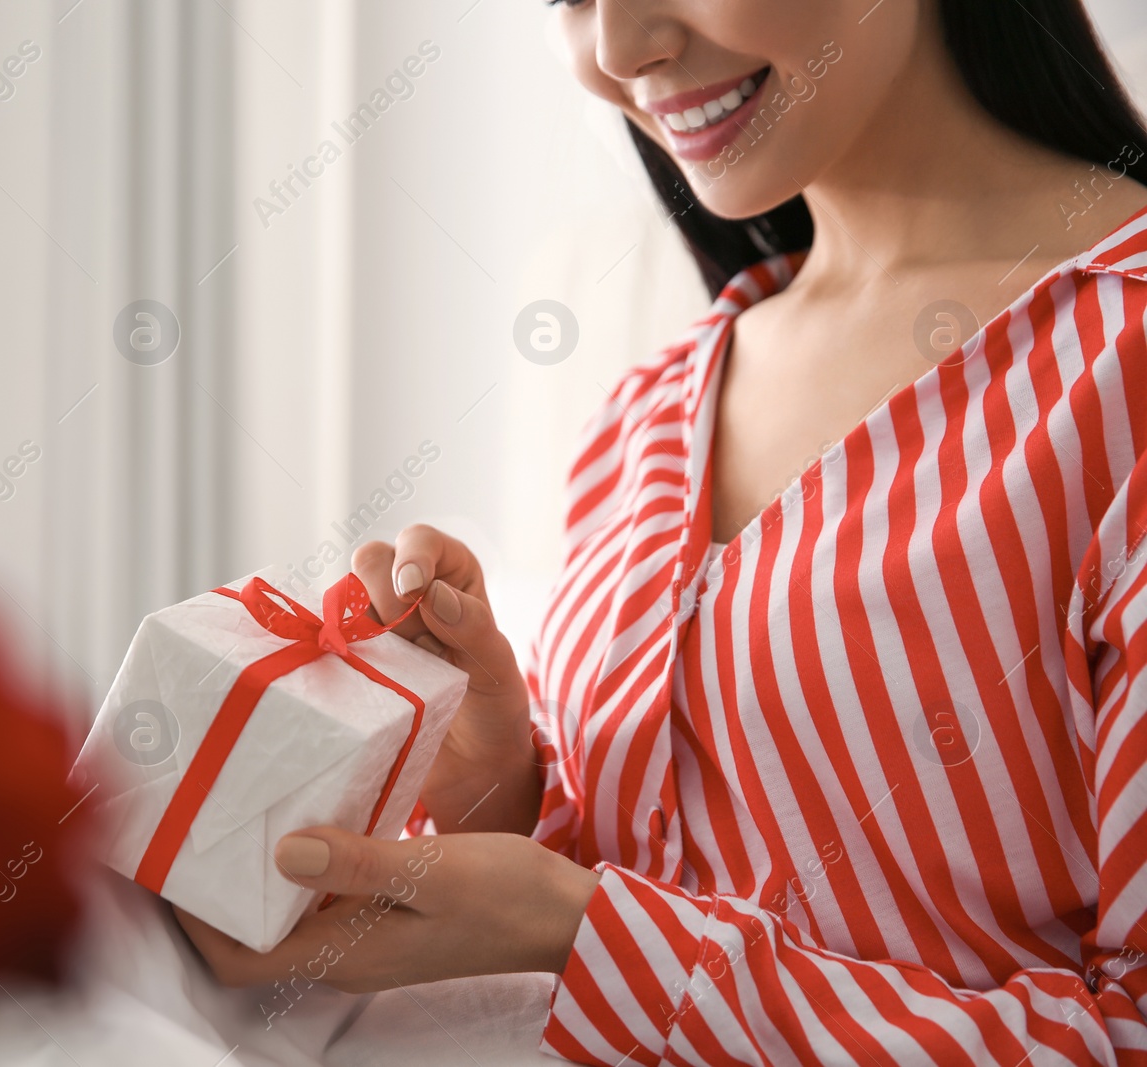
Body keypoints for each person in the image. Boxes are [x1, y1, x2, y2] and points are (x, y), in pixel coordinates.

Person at [176, 1, 1147, 1063]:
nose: (616, 50)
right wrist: (500, 788)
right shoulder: (645, 412)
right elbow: (656, 881)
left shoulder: (1121, 366)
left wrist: (586, 933)